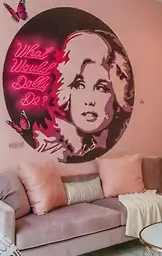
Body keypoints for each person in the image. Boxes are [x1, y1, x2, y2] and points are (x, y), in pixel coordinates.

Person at [33, 29, 134, 162]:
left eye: (101, 88)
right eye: (79, 85)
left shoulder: (122, 148)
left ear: (116, 95)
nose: (89, 101)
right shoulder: (50, 146)